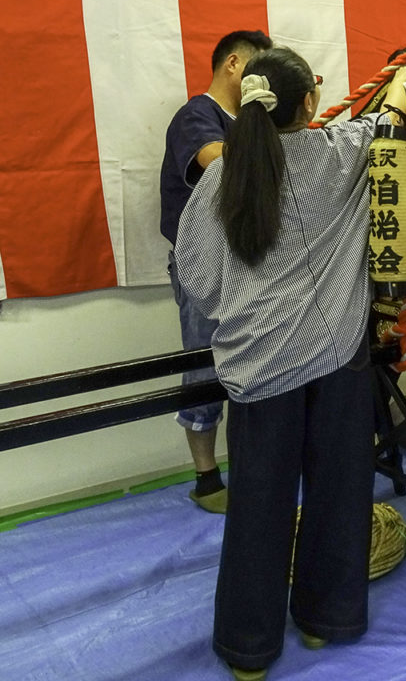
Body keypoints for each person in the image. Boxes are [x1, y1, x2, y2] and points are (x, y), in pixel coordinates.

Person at [174, 47, 406, 680]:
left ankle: (249, 650)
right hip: (337, 359)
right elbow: (387, 120)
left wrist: (252, 307)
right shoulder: (338, 151)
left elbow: (197, 279)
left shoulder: (221, 176)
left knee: (258, 505)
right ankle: (326, 621)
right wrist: (403, 87)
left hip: (257, 368)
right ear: (309, 102)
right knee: (341, 494)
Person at [160, 29, 273, 514]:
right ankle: (207, 477)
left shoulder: (256, 123)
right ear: (234, 64)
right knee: (204, 365)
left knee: (256, 366)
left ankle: (256, 466)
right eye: (259, 70)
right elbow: (214, 164)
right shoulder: (197, 115)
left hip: (251, 263)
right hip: (204, 266)